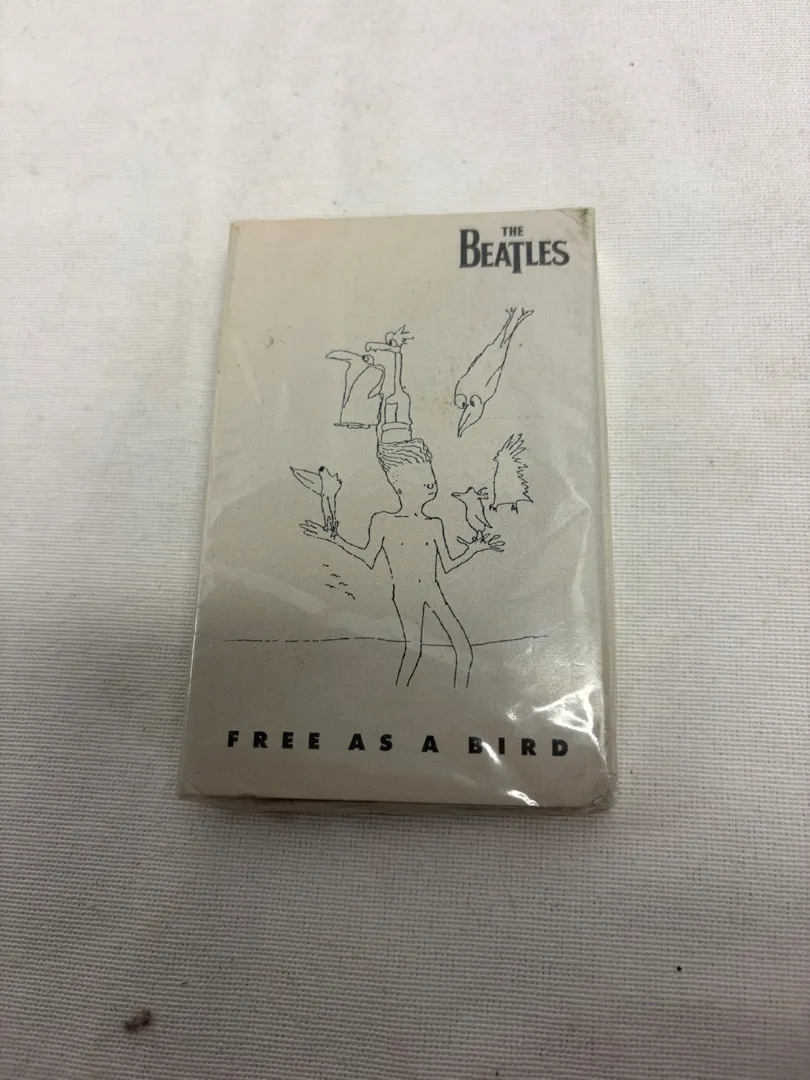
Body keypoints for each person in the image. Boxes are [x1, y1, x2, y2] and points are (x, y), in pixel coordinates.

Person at [301, 438, 503, 688]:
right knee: (414, 651)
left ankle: (458, 699)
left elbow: (448, 565)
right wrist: (333, 539)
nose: (430, 482)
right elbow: (368, 557)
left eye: (430, 475)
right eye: (420, 476)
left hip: (433, 590)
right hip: (406, 594)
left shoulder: (434, 524)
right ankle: (400, 693)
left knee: (463, 650)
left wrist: (474, 549)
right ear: (399, 485)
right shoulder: (383, 521)